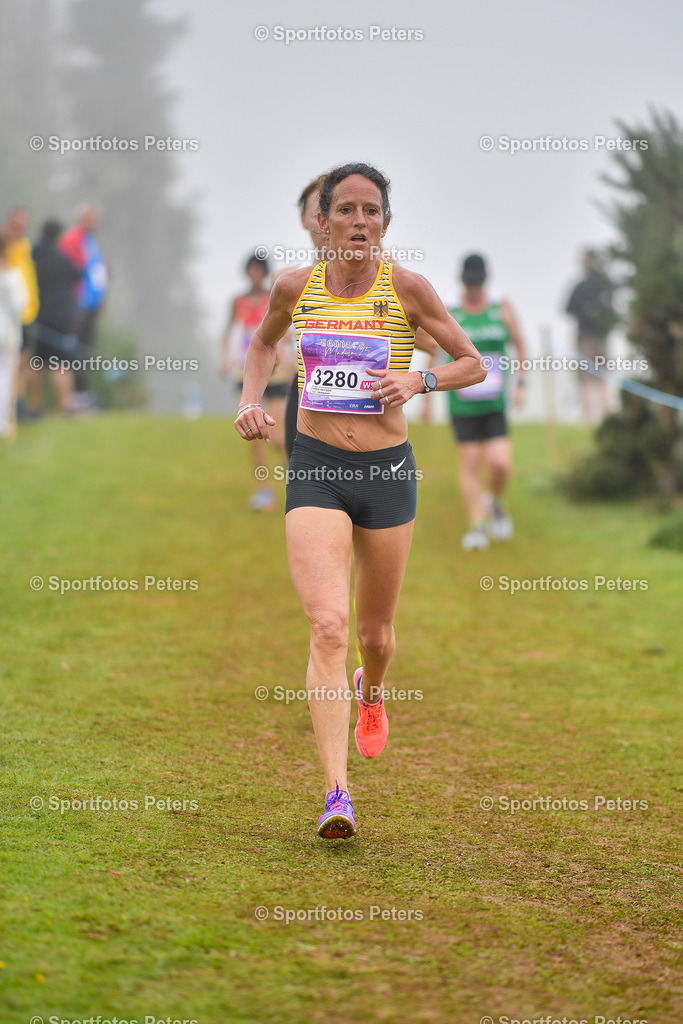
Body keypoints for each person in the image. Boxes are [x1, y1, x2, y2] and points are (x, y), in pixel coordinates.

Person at [234, 163, 485, 839]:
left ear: (385, 223)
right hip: (314, 466)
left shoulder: (406, 287)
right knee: (327, 626)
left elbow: (472, 362)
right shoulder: (295, 286)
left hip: (385, 473)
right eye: (343, 209)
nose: (357, 221)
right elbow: (261, 345)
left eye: (370, 210)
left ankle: (370, 692)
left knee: (374, 637)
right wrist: (250, 401)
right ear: (321, 222)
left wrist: (417, 379)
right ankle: (336, 793)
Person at [445, 254, 527, 551]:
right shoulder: (451, 310)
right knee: (469, 463)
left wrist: (521, 384)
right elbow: (434, 346)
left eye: (478, 282)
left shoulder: (500, 306)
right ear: (463, 281)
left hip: (494, 402)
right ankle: (477, 525)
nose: (474, 287)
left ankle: (495, 502)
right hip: (462, 402)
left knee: (500, 464)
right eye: (470, 282)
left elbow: (520, 344)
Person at [221, 253, 292, 509]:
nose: (255, 274)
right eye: (251, 269)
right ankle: (264, 491)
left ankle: (293, 467)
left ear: (264, 273)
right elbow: (228, 332)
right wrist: (224, 360)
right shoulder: (237, 301)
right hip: (246, 370)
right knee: (252, 432)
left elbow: (285, 330)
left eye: (258, 270)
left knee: (274, 432)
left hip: (274, 371)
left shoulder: (273, 297)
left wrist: (281, 353)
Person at [28, 221, 83, 416]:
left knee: (36, 361)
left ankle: (34, 405)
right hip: (60, 318)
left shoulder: (32, 254)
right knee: (61, 363)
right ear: (59, 236)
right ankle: (64, 405)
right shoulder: (60, 258)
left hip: (37, 315)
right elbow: (79, 274)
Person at [59, 204, 108, 405]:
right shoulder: (73, 238)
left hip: (92, 306)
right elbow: (69, 271)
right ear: (82, 218)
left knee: (86, 350)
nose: (95, 222)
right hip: (78, 304)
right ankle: (76, 393)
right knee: (77, 349)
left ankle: (84, 392)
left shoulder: (91, 240)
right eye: (91, 218)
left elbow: (96, 271)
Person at [565, 249, 615, 425]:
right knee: (588, 379)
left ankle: (602, 415)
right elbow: (568, 309)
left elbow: (568, 309)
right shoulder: (597, 285)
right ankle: (589, 417)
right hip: (588, 337)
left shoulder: (601, 285)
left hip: (594, 338)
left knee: (598, 378)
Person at [3, 207, 39, 414]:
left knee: (23, 359)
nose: (20, 227)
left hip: (28, 312)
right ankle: (10, 404)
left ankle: (18, 400)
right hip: (9, 316)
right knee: (12, 360)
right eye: (16, 223)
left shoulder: (25, 245)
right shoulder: (5, 245)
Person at [0, 232, 28, 439]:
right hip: (6, 332)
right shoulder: (12, 275)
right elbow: (19, 304)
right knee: (5, 378)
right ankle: (3, 424)